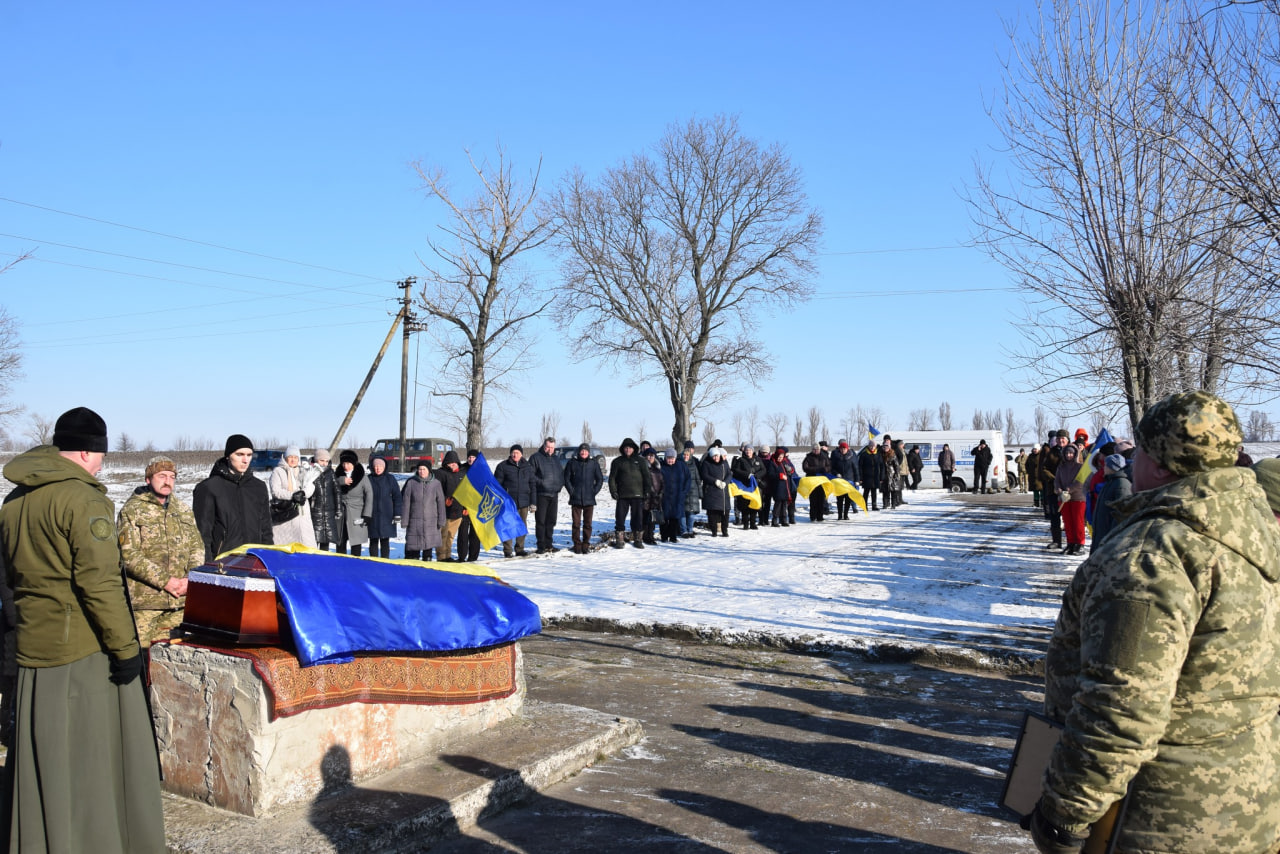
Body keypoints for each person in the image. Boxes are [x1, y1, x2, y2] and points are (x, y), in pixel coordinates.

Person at [1034, 390, 1280, 854]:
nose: (1133, 462)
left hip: (1160, 816)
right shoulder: (1249, 528)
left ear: (1162, 466)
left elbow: (1120, 705)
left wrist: (1066, 813)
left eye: (1141, 451)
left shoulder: (1155, 555)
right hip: (1247, 799)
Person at [0, 407, 166, 853]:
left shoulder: (15, 499)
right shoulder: (84, 500)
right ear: (88, 451)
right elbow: (100, 583)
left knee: (44, 761)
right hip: (83, 652)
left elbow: (10, 579)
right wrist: (126, 650)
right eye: (100, 455)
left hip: (33, 648)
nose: (101, 464)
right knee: (93, 758)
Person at [117, 454, 205, 648]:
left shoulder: (182, 510)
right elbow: (129, 555)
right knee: (140, 654)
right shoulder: (132, 510)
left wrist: (191, 579)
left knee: (177, 655)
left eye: (172, 477)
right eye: (162, 476)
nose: (168, 482)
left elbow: (196, 546)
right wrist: (166, 581)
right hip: (146, 602)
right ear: (148, 479)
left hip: (181, 600)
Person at [194, 433, 273, 562]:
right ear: (228, 456)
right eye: (239, 454)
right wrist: (207, 566)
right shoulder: (209, 487)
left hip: (254, 560)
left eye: (249, 455)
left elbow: (266, 529)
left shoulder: (258, 487)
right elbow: (202, 533)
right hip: (222, 562)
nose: (245, 460)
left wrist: (268, 559)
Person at [269, 446, 316, 548]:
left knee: (305, 544)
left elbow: (311, 486)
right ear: (285, 458)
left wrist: (303, 493)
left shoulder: (303, 471)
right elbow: (275, 491)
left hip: (302, 513)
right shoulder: (278, 471)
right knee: (286, 545)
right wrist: (293, 495)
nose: (293, 459)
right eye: (290, 457)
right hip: (286, 511)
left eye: (296, 457)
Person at [495, 445, 535, 557]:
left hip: (523, 501)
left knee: (521, 525)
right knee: (508, 525)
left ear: (521, 454)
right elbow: (497, 485)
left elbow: (532, 485)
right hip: (508, 502)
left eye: (517, 452)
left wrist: (533, 502)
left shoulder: (527, 466)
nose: (515, 454)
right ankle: (507, 550)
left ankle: (520, 548)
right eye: (513, 452)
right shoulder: (502, 466)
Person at [609, 438, 650, 548]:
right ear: (623, 449)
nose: (628, 450)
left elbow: (647, 477)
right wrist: (613, 491)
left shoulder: (641, 461)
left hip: (638, 494)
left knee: (638, 518)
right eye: (626, 448)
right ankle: (619, 540)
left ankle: (638, 539)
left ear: (634, 449)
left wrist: (647, 491)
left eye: (630, 448)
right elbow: (612, 478)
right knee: (620, 518)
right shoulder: (617, 462)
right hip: (622, 495)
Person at [400, 462, 445, 561]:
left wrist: (441, 520)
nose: (421, 471)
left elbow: (441, 503)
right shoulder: (411, 482)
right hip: (414, 520)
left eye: (424, 469)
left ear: (429, 470)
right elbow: (406, 503)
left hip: (431, 520)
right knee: (414, 545)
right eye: (419, 469)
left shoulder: (436, 484)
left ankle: (427, 559)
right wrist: (404, 520)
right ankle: (414, 561)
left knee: (428, 543)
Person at [564, 442, 604, 554]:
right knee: (576, 524)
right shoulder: (572, 463)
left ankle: (586, 543)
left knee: (588, 524)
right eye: (582, 451)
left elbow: (600, 479)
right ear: (579, 452)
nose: (584, 452)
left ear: (589, 452)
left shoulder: (593, 464)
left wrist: (594, 492)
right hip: (576, 498)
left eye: (586, 451)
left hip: (589, 499)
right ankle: (577, 544)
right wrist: (571, 491)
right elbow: (566, 479)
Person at [1088, 453, 1132, 549]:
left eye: (1106, 465)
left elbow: (1121, 514)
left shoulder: (1121, 485)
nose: (1104, 468)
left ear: (1112, 467)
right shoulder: (1110, 482)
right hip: (1102, 534)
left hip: (1109, 538)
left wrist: (1112, 536)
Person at [529, 438, 564, 554]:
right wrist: (542, 482)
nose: (550, 450)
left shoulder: (556, 458)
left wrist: (560, 484)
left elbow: (560, 474)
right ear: (544, 446)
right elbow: (530, 475)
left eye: (552, 447)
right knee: (541, 521)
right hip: (541, 494)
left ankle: (549, 544)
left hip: (554, 494)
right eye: (548, 447)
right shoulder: (536, 458)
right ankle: (541, 545)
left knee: (551, 521)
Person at [335, 449, 372, 556]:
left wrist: (367, 514)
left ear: (354, 463)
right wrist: (341, 481)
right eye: (343, 463)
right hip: (340, 513)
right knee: (340, 541)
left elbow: (369, 494)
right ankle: (341, 565)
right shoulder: (337, 475)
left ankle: (356, 565)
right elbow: (330, 487)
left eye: (348, 463)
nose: (346, 466)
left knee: (356, 542)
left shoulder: (362, 476)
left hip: (357, 513)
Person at [365, 456, 402, 559]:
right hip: (372, 515)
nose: (378, 468)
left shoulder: (390, 479)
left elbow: (397, 497)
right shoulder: (368, 479)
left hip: (387, 514)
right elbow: (362, 497)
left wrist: (397, 513)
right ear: (372, 467)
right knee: (373, 540)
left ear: (384, 467)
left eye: (380, 466)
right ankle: (374, 561)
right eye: (376, 466)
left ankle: (385, 561)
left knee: (385, 540)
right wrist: (364, 515)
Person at [1053, 443, 1087, 556]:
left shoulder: (1080, 466)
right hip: (1064, 499)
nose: (1069, 455)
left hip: (1077, 498)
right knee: (1067, 522)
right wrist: (1058, 490)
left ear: (1075, 454)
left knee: (1078, 522)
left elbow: (1080, 482)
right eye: (1067, 453)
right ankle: (1070, 543)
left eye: (1071, 453)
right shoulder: (1061, 467)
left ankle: (1080, 544)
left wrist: (1069, 489)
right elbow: (1057, 480)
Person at [436, 451, 466, 561]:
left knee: (451, 535)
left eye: (454, 462)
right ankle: (441, 556)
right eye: (450, 462)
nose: (452, 464)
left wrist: (466, 507)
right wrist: (444, 500)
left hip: (458, 510)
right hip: (444, 510)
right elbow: (436, 490)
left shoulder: (462, 474)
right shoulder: (440, 473)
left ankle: (447, 555)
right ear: (446, 463)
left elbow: (466, 492)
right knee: (442, 535)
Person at [309, 449, 340, 552]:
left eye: (327, 461)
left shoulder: (330, 473)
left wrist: (338, 508)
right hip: (315, 512)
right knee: (313, 540)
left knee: (325, 541)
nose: (324, 463)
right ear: (316, 460)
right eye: (322, 460)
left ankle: (323, 563)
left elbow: (337, 491)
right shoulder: (310, 472)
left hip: (328, 512)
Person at [455, 449, 483, 562]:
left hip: (477, 507)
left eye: (473, 457)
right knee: (462, 533)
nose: (471, 459)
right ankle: (461, 556)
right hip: (463, 507)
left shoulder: (482, 471)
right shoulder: (461, 470)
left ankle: (473, 557)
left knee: (475, 534)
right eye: (469, 457)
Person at [659, 448, 690, 543]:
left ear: (675, 458)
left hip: (678, 496)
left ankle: (673, 536)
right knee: (664, 517)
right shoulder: (661, 466)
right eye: (668, 458)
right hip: (665, 496)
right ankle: (664, 536)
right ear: (665, 458)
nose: (670, 460)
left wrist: (684, 492)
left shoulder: (681, 466)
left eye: (672, 458)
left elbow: (688, 479)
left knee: (675, 517)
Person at [732, 445, 766, 530]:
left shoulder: (758, 459)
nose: (748, 452)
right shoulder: (741, 460)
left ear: (753, 451)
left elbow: (764, 470)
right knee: (745, 506)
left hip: (755, 486)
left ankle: (753, 523)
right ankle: (746, 523)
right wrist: (747, 475)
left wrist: (756, 476)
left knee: (754, 505)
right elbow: (736, 471)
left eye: (750, 450)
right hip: (745, 486)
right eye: (747, 450)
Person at [701, 446, 732, 536]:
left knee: (725, 512)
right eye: (713, 456)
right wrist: (715, 481)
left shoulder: (724, 463)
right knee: (712, 513)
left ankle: (724, 530)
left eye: (717, 456)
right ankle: (714, 530)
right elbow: (704, 475)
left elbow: (729, 474)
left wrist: (726, 482)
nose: (716, 458)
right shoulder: (706, 463)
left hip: (723, 491)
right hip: (711, 491)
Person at [829, 440, 859, 519]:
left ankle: (845, 514)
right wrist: (836, 473)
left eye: (844, 448)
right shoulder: (836, 457)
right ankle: (839, 515)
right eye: (841, 448)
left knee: (848, 499)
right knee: (839, 499)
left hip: (849, 481)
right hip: (839, 482)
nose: (843, 450)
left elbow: (856, 469)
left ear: (847, 449)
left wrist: (857, 480)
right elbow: (832, 468)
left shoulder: (851, 457)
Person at [641, 448, 665, 544]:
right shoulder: (642, 468)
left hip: (656, 498)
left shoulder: (658, 468)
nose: (650, 457)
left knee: (652, 518)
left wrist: (661, 493)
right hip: (645, 497)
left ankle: (650, 536)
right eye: (649, 455)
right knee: (644, 518)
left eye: (652, 455)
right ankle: (644, 537)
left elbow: (662, 482)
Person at [680, 441, 703, 538]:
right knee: (682, 512)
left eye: (687, 455)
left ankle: (690, 530)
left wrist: (700, 493)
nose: (686, 456)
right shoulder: (679, 464)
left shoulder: (694, 465)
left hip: (693, 491)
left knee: (691, 513)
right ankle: (683, 530)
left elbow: (698, 479)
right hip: (682, 491)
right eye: (684, 455)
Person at [802, 444, 829, 522]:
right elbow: (805, 468)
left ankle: (820, 516)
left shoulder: (824, 457)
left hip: (821, 481)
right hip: (812, 481)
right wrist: (816, 469)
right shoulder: (808, 458)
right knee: (813, 500)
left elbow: (829, 466)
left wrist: (825, 469)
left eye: (817, 449)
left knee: (821, 499)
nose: (816, 451)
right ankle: (813, 516)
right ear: (812, 450)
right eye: (814, 449)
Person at [858, 440, 884, 511]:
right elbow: (860, 466)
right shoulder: (864, 454)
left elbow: (882, 466)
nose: (872, 447)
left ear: (876, 447)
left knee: (874, 492)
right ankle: (864, 505)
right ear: (868, 446)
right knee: (866, 492)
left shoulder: (878, 455)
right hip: (866, 476)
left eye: (873, 446)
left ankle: (874, 505)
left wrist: (881, 477)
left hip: (875, 476)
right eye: (871, 446)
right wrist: (860, 477)